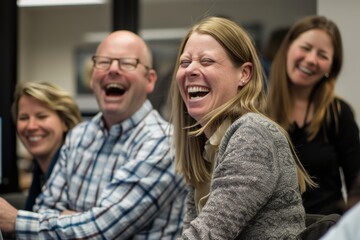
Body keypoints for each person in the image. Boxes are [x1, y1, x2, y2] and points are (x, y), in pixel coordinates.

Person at [0, 30, 186, 239]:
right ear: (92, 77)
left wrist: (16, 221)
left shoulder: (164, 143)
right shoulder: (79, 135)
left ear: (150, 80)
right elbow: (45, 207)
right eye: (103, 62)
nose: (113, 69)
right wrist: (89, 223)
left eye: (127, 63)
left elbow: (102, 230)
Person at [170, 16, 314, 239]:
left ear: (244, 74)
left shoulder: (253, 133)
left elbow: (207, 235)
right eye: (185, 62)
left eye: (206, 61)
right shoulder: (205, 147)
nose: (191, 70)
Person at [266, 15, 360, 215]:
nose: (311, 60)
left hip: (328, 231)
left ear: (331, 67)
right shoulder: (257, 112)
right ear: (287, 49)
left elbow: (356, 183)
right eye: (306, 48)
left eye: (323, 55)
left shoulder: (338, 113)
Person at [11, 81, 82, 211]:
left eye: (42, 116)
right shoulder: (40, 173)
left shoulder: (78, 172)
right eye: (23, 117)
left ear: (65, 123)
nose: (31, 126)